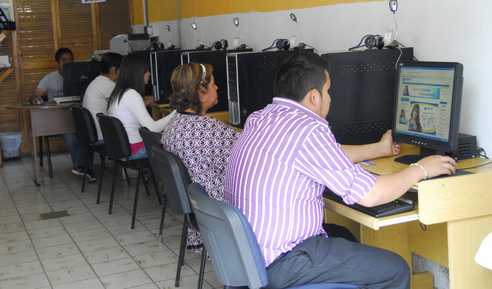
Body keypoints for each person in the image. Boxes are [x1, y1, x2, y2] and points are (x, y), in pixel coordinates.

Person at [223, 52, 457, 288]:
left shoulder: (261, 118)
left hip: (248, 254)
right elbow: (372, 195)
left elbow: (326, 156)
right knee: (395, 270)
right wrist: (420, 169)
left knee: (345, 236)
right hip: (283, 262)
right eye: (328, 91)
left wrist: (379, 148)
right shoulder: (308, 128)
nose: (331, 99)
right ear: (314, 96)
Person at [161, 62, 240, 254]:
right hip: (220, 209)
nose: (216, 87)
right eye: (213, 84)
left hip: (198, 209)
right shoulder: (209, 130)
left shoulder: (174, 124)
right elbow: (248, 158)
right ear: (201, 93)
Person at [29, 48, 95, 181]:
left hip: (77, 117)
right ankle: (82, 166)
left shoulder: (81, 75)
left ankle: (82, 168)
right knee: (70, 136)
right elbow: (35, 94)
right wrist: (35, 99)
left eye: (71, 60)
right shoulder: (50, 78)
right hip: (58, 121)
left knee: (87, 133)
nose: (68, 62)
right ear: (57, 63)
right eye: (64, 60)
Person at [107, 53, 176, 160]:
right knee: (177, 147)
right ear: (137, 72)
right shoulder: (131, 94)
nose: (149, 74)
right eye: (146, 71)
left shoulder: (118, 92)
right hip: (135, 151)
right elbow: (152, 129)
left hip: (121, 150)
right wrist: (178, 112)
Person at [83, 52, 123, 144]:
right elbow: (121, 109)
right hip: (102, 135)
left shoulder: (98, 81)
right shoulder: (108, 84)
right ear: (114, 69)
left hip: (93, 134)